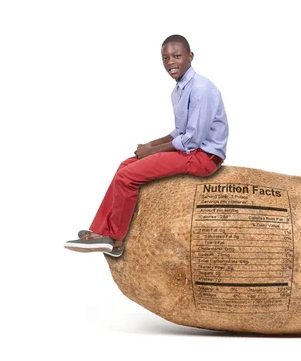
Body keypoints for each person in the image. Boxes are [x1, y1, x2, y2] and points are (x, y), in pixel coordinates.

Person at [64, 34, 229, 257]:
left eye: (177, 56)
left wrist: (151, 152)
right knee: (125, 165)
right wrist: (151, 144)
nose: (170, 62)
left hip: (204, 156)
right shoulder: (179, 89)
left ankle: (115, 241)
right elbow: (179, 132)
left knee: (128, 177)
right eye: (165, 58)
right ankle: (100, 231)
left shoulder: (201, 88)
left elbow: (192, 140)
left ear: (190, 56)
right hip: (192, 149)